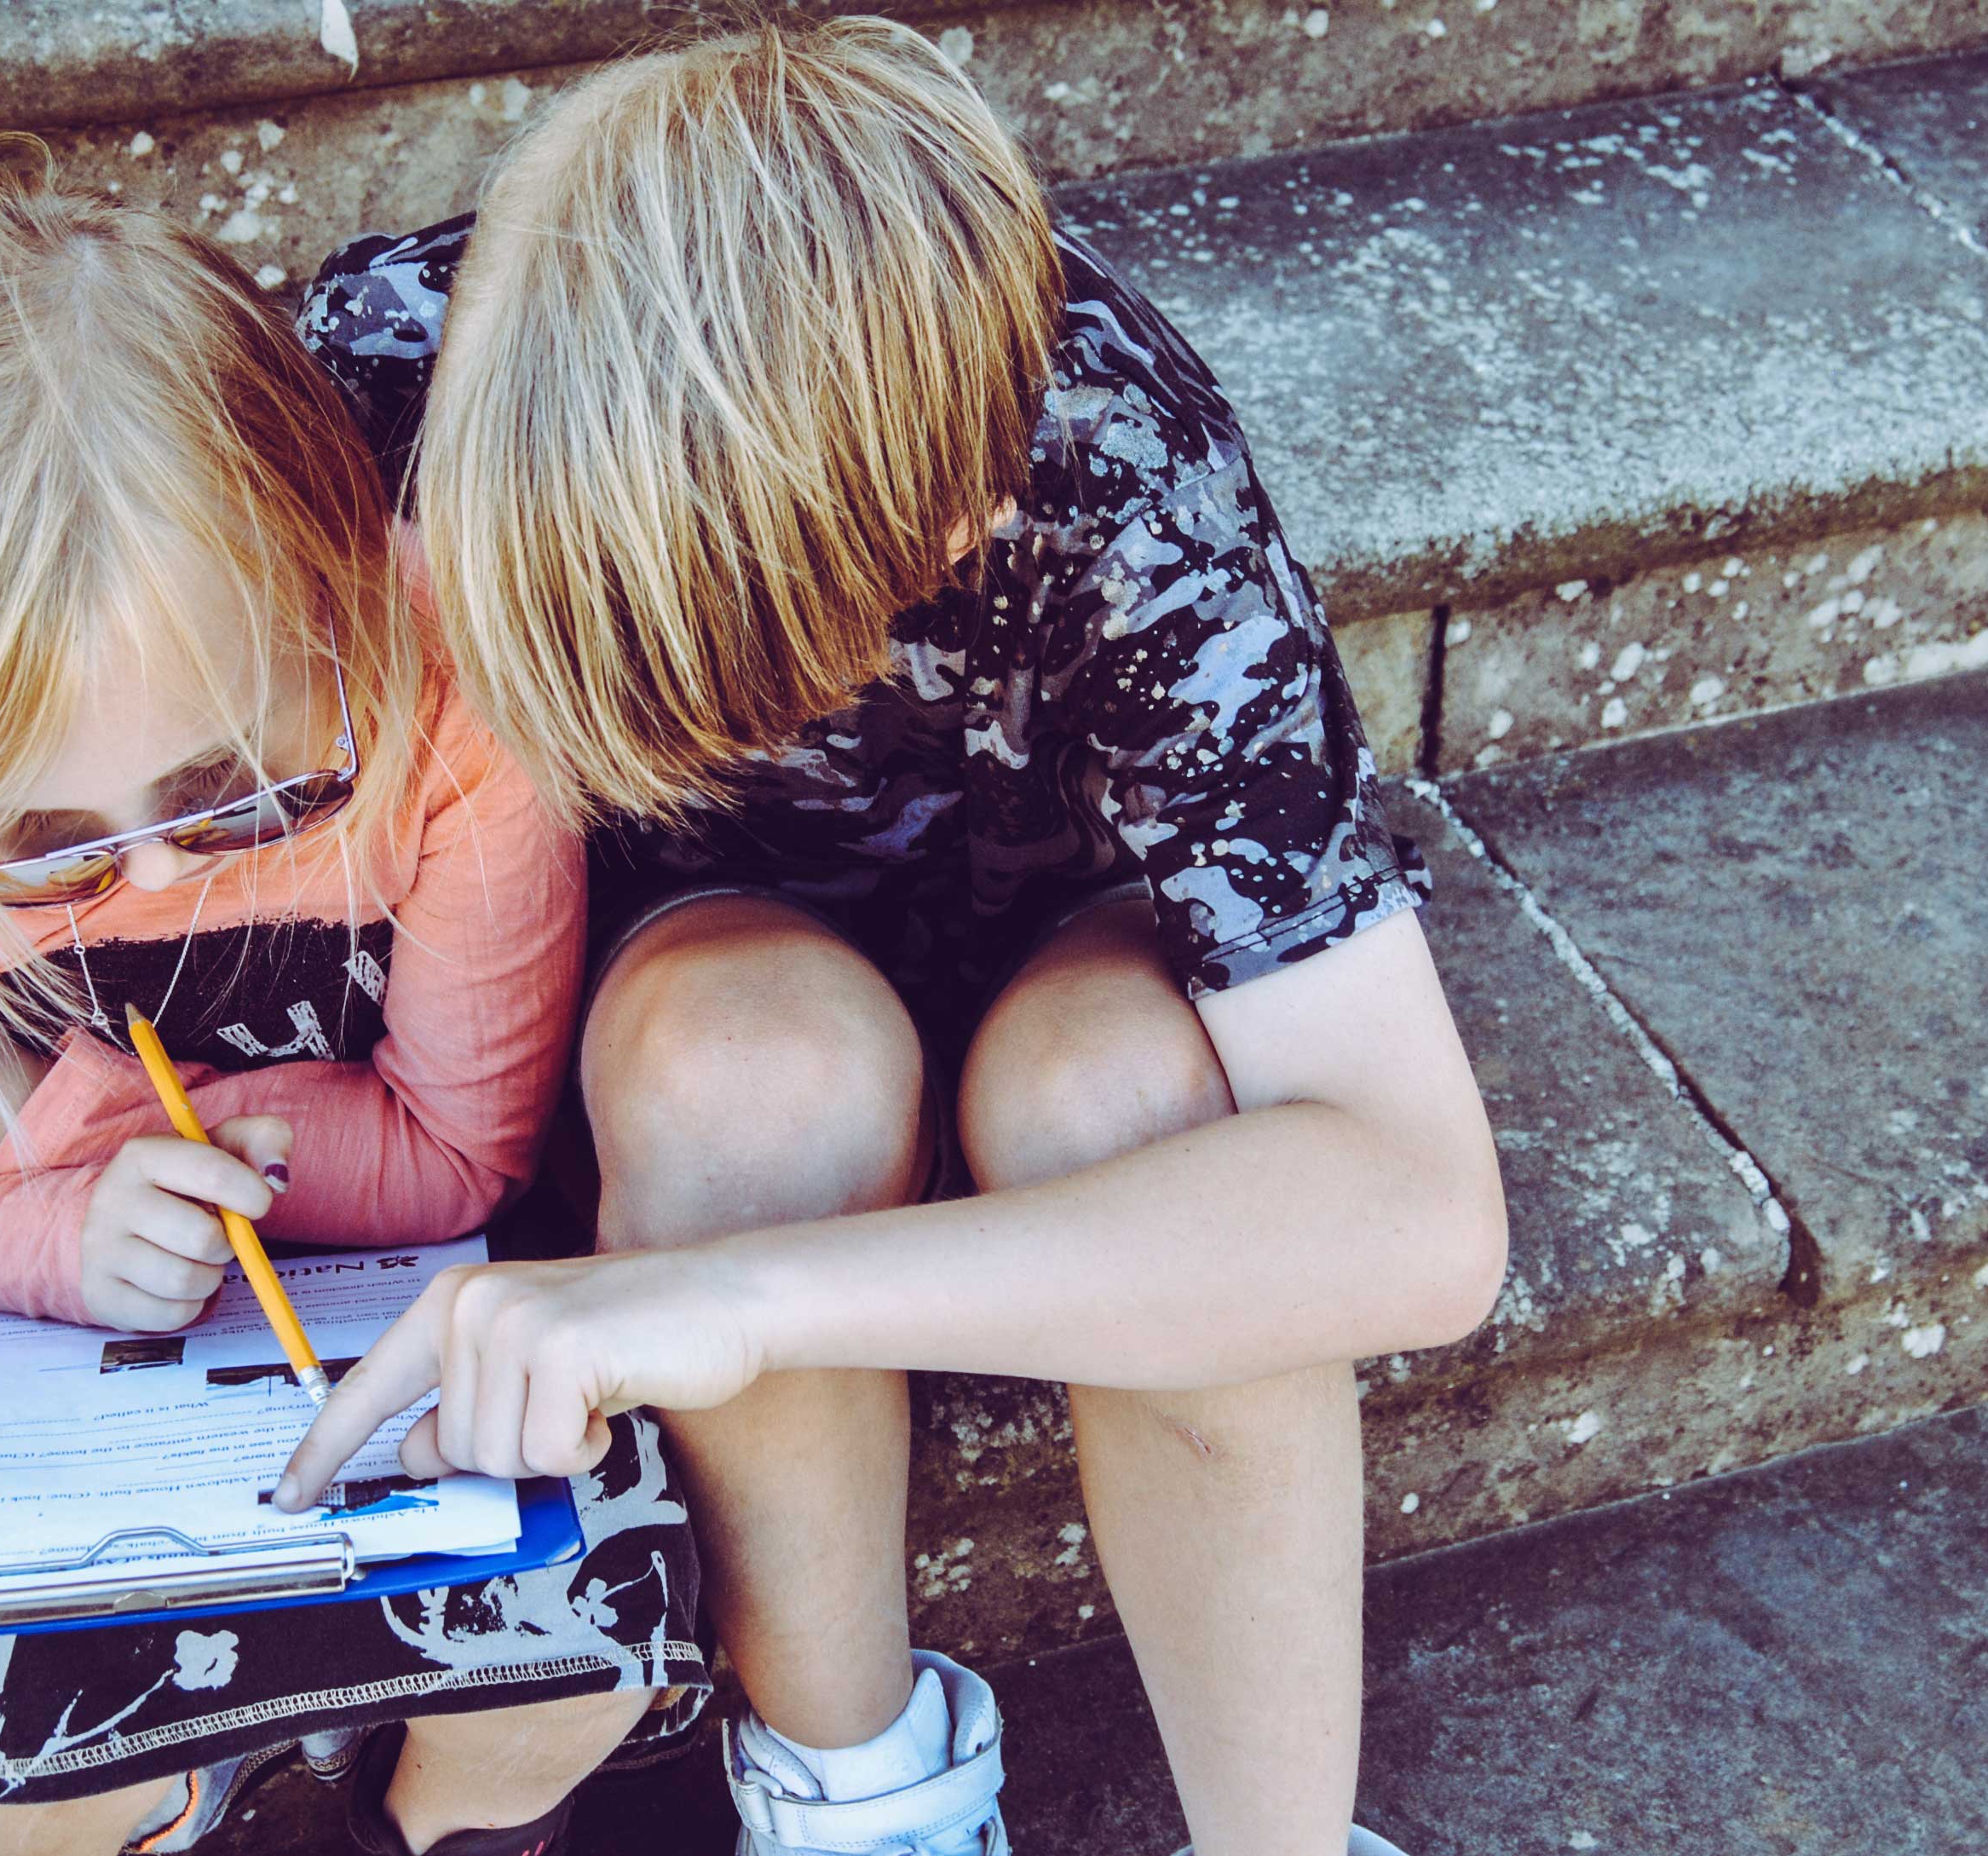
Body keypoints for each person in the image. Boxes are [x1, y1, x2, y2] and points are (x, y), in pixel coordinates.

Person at [277, 22, 1507, 1856]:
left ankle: (1281, 1840)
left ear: (949, 517)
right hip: (695, 983)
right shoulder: (393, 363)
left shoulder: (1107, 465)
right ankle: (859, 1795)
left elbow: (1418, 1214)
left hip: (1067, 943)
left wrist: (737, 1299)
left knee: (1130, 1102)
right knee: (746, 1077)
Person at [0, 174, 706, 1856]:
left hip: (420, 1313)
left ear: (340, 584)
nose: (163, 873)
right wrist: (60, 1231)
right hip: (51, 1384)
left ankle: (427, 1827)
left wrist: (29, 1112)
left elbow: (452, 1161)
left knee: (571, 1664)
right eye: (42, 855)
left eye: (236, 795)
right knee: (21, 1803)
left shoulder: (449, 700)